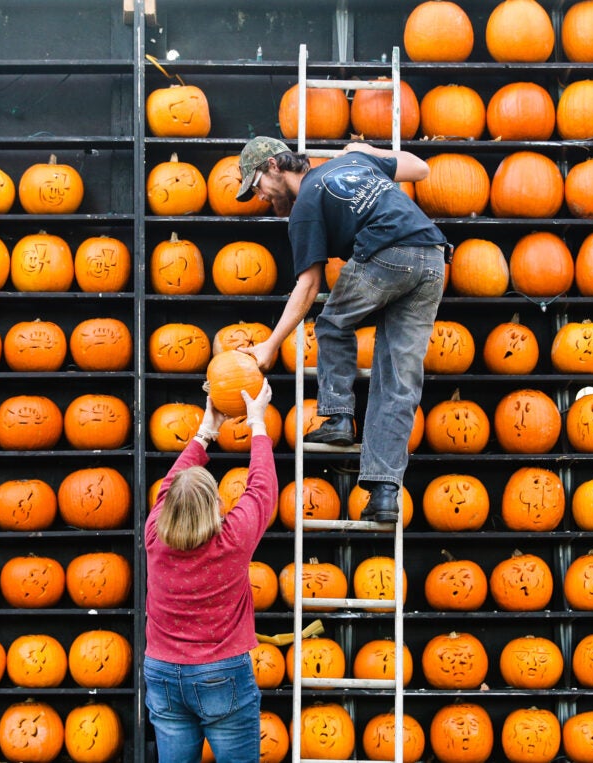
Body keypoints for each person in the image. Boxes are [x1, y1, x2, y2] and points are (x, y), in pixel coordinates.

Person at [235, 136, 447, 524]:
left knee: (331, 324)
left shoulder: (304, 209)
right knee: (397, 381)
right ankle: (384, 493)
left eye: (257, 186)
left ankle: (337, 417)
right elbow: (421, 168)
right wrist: (368, 152)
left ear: (273, 167)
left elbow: (309, 286)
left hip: (390, 251)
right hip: (432, 258)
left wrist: (270, 345)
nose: (260, 197)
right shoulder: (353, 164)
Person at [144, 379, 276, 763]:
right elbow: (261, 489)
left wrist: (206, 428)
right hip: (221, 672)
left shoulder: (155, 534)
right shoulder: (231, 540)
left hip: (163, 672)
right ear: (217, 503)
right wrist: (257, 423)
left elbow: (171, 484)